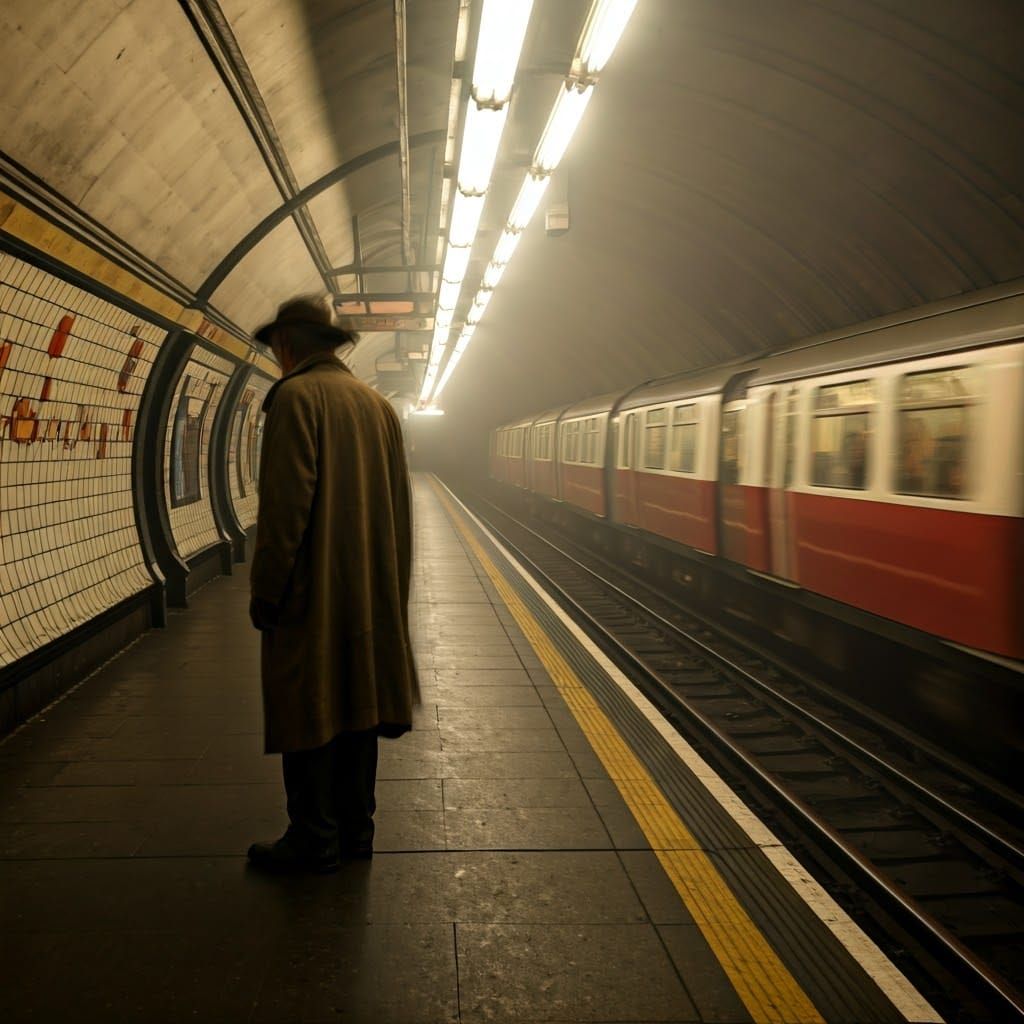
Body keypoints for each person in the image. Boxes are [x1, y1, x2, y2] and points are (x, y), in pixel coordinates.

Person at [246, 295, 419, 873]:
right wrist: (394, 592)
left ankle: (312, 837)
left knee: (309, 706)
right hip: (371, 589)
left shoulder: (295, 397)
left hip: (312, 592)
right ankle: (357, 832)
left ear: (288, 344)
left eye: (276, 349)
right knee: (357, 707)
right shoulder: (378, 405)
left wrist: (267, 591)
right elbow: (401, 506)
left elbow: (284, 510)